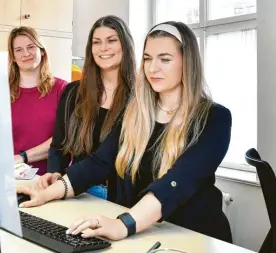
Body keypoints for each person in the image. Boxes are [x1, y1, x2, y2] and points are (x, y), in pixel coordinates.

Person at [18, 21, 233, 243]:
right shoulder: (135, 112)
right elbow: (99, 163)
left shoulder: (214, 118)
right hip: (145, 232)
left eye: (165, 59)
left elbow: (177, 182)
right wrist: (46, 193)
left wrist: (124, 224)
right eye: (148, 58)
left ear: (187, 63)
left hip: (193, 235)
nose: (152, 68)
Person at [40, 15, 136, 200]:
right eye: (96, 42)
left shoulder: (141, 97)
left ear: (125, 45)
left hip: (121, 198)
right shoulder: (73, 92)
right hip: (75, 191)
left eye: (111, 40)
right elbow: (58, 145)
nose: (103, 48)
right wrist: (55, 174)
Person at [8, 26, 68, 175]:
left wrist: (22, 157)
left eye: (31, 47)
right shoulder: (1, 92)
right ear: (13, 58)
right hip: (13, 177)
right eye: (19, 50)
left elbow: (65, 138)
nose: (26, 53)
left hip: (51, 179)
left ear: (42, 51)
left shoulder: (63, 89)